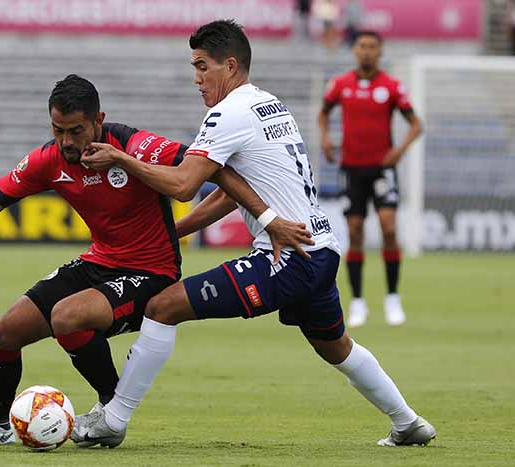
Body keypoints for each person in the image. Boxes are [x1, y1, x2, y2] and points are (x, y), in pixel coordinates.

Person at [0, 74, 312, 446]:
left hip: (152, 271)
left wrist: (268, 219)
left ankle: (112, 412)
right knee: (5, 333)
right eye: (58, 130)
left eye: (76, 130)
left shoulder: (133, 145)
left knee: (67, 317)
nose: (67, 142)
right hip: (100, 262)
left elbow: (215, 172)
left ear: (98, 120)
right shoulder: (49, 160)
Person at [77, 20, 435, 448]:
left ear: (229, 66)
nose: (196, 78)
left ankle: (113, 420)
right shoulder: (268, 104)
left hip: (285, 256)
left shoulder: (228, 113)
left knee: (162, 306)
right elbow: (234, 196)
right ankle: (409, 422)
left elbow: (183, 185)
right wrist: (173, 234)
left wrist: (122, 158)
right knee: (334, 345)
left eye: (202, 67)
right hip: (318, 248)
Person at [318, 31, 423, 327]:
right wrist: (325, 138)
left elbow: (416, 124)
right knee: (354, 231)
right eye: (362, 46)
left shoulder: (391, 87)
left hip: (382, 169)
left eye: (372, 47)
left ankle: (392, 297)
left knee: (389, 229)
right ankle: (359, 302)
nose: (366, 51)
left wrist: (398, 152)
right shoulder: (341, 84)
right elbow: (323, 113)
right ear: (355, 51)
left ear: (380, 51)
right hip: (352, 169)